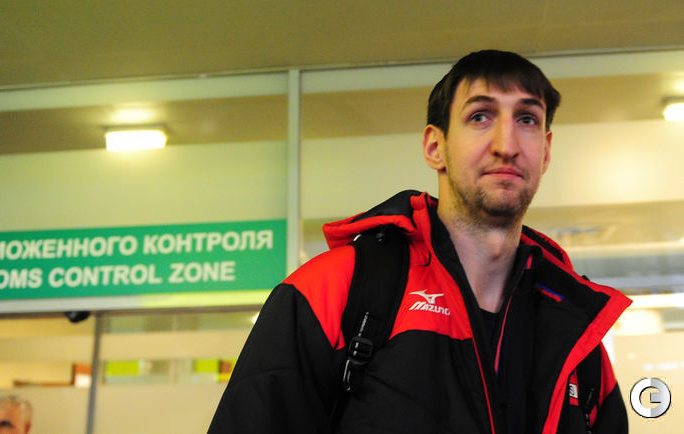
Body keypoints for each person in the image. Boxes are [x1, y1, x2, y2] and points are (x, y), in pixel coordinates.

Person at [209, 50, 631, 433]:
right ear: (435, 147)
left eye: (527, 120)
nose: (507, 146)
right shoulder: (334, 291)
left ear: (546, 151)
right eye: (480, 117)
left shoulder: (577, 335)